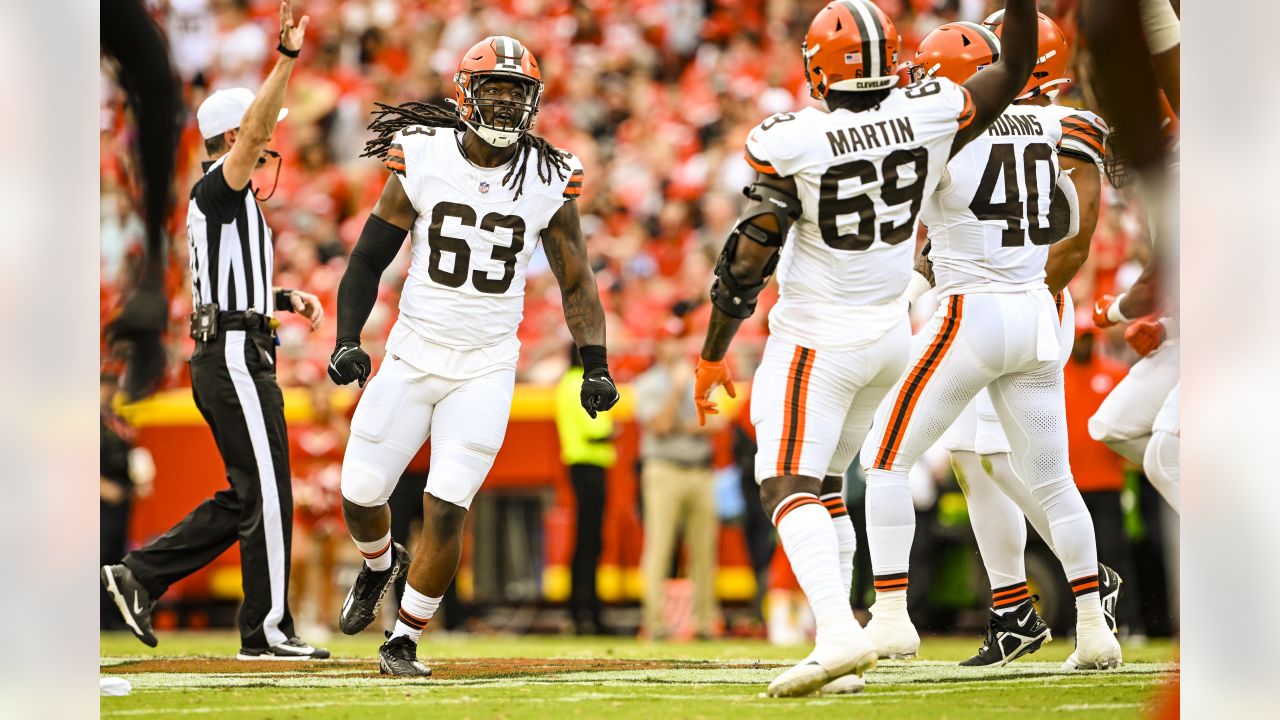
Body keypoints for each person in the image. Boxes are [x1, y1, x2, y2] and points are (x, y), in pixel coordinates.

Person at [692, 0, 1039, 697]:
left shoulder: (796, 139)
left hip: (818, 341)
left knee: (783, 481)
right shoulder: (931, 110)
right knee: (824, 489)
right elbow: (1015, 67)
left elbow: (746, 259)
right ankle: (847, 628)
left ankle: (837, 634)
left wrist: (712, 350)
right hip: (889, 336)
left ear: (820, 70)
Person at [326, 36, 620, 677]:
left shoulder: (549, 174)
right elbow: (369, 256)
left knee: (448, 504)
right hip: (412, 350)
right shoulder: (424, 155)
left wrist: (594, 361)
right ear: (466, 94)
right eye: (495, 91)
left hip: (487, 362)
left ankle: (403, 639)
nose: (508, 105)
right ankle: (381, 567)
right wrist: (348, 337)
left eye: (519, 94)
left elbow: (576, 278)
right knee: (359, 491)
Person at [859, 9, 1124, 672]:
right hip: (1030, 309)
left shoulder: (948, 134)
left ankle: (891, 618)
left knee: (884, 458)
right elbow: (1063, 211)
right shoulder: (1050, 124)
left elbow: (895, 225)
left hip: (971, 312)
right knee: (1050, 478)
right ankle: (1093, 628)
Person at [101, 1, 330, 660]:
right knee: (268, 494)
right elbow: (256, 133)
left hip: (236, 341)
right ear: (237, 139)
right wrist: (285, 60)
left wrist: (281, 296)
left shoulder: (223, 199)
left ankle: (136, 575)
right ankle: (268, 630)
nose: (269, 144)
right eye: (259, 137)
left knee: (250, 495)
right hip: (232, 350)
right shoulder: (219, 186)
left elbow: (229, 281)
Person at [635, 326, 720, 641]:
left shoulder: (703, 377)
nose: (676, 346)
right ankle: (655, 622)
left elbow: (716, 424)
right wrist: (677, 390)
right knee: (659, 546)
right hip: (664, 470)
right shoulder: (649, 383)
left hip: (700, 470)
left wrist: (680, 425)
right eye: (669, 339)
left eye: (679, 339)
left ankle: (706, 621)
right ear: (658, 345)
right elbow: (658, 425)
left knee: (704, 550)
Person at [555, 344, 617, 635]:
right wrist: (613, 432)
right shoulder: (577, 384)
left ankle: (580, 609)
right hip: (589, 467)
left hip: (580, 467)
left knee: (585, 542)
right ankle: (586, 611)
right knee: (589, 543)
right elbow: (597, 431)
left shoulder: (565, 384)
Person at [100, 370, 154, 630]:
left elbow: (132, 452)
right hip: (99, 499)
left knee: (116, 555)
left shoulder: (117, 420)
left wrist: (139, 479)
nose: (109, 391)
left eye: (111, 384)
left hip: (122, 495)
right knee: (98, 555)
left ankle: (112, 618)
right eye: (104, 385)